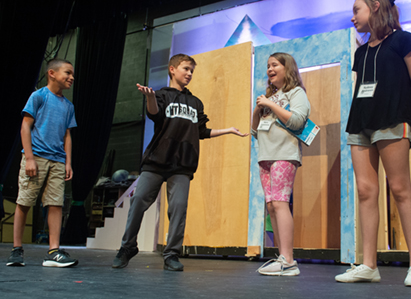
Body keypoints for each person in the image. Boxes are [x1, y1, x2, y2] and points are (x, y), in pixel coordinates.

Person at [112, 53, 248, 271]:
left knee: (178, 208)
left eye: (192, 71)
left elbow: (202, 131)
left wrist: (228, 130)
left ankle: (172, 254)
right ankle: (127, 247)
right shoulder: (161, 95)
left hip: (182, 165)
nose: (189, 74)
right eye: (186, 69)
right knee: (138, 202)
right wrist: (149, 97)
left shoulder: (195, 102)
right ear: (172, 69)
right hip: (156, 161)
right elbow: (154, 114)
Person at [335, 0, 411, 287]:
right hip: (360, 124)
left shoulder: (403, 39)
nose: (352, 17)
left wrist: (404, 118)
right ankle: (368, 265)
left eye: (356, 10)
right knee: (365, 191)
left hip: (392, 122)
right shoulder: (360, 52)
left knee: (400, 189)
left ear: (375, 7)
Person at [7, 59, 78, 268]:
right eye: (68, 72)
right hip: (36, 157)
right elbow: (25, 127)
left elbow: (67, 136)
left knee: (55, 203)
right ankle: (16, 249)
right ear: (52, 73)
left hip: (57, 160)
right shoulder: (39, 96)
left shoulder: (68, 106)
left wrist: (68, 162)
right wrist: (29, 157)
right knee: (25, 202)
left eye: (73, 74)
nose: (72, 77)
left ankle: (53, 251)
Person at [252, 52, 310, 276]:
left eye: (275, 64)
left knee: (280, 202)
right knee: (271, 206)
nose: (270, 69)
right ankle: (281, 257)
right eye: (268, 66)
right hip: (265, 155)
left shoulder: (296, 93)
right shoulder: (270, 96)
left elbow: (297, 121)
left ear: (288, 68)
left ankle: (288, 260)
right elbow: (256, 132)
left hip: (284, 154)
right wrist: (258, 110)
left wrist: (270, 104)